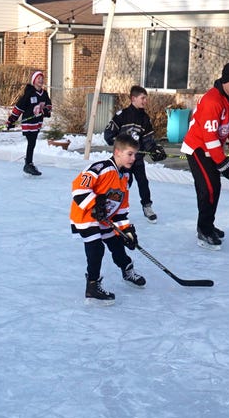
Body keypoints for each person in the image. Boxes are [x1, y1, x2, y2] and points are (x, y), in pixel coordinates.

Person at [71, 131, 145, 304]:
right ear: (117, 152)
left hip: (105, 217)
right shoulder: (101, 168)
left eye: (135, 154)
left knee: (117, 244)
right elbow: (78, 189)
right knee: (96, 248)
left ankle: (127, 270)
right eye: (130, 154)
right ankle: (92, 285)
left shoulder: (126, 176)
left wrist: (127, 231)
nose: (133, 158)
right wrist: (95, 206)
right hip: (86, 215)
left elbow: (121, 209)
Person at [181, 62, 229, 250]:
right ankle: (203, 229)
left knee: (215, 187)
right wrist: (224, 164)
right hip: (198, 146)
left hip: (214, 146)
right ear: (224, 81)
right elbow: (209, 137)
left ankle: (209, 224)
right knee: (207, 188)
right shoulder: (212, 100)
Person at [103, 85, 167, 223]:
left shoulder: (145, 118)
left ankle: (147, 207)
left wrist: (153, 149)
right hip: (122, 160)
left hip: (136, 159)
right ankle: (108, 207)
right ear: (133, 98)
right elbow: (108, 135)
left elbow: (148, 140)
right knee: (121, 184)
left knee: (143, 182)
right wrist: (123, 146)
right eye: (142, 98)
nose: (145, 101)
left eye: (146, 98)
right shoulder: (122, 115)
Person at [6, 70, 52, 176]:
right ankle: (28, 164)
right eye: (38, 78)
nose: (41, 80)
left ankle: (28, 162)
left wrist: (46, 111)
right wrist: (12, 120)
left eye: (42, 78)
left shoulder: (44, 93)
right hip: (28, 122)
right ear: (34, 81)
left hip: (37, 122)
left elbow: (49, 106)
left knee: (33, 143)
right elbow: (19, 107)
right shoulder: (29, 94)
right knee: (31, 142)